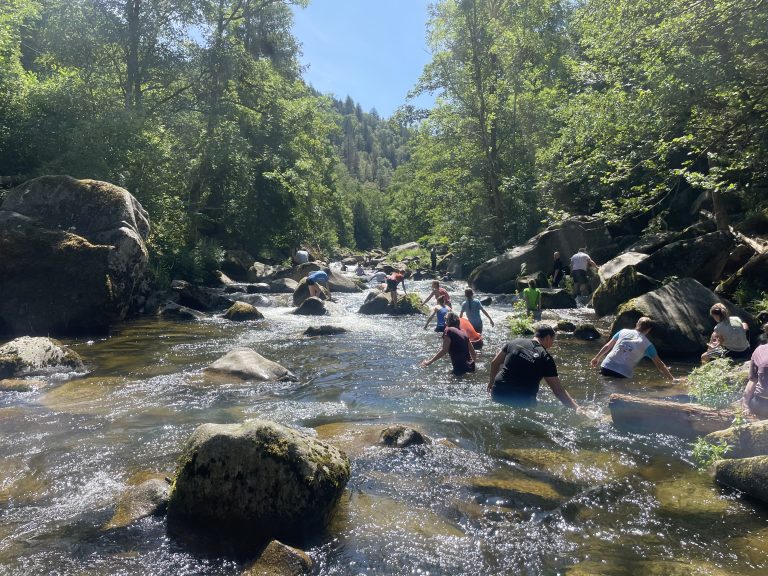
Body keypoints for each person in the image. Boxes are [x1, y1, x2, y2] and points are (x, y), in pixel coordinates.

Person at [487, 324, 580, 409]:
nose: (552, 345)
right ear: (548, 337)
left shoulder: (515, 342)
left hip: (498, 391)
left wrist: (491, 383)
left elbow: (495, 362)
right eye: (553, 340)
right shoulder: (545, 357)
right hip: (522, 398)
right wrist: (577, 408)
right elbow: (559, 391)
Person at [590, 317, 675, 380]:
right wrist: (672, 379)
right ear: (649, 330)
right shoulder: (648, 345)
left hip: (606, 366)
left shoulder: (623, 331)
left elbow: (608, 346)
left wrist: (596, 358)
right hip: (622, 373)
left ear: (637, 324)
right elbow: (660, 365)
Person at [742, 326, 768, 419]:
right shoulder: (759, 350)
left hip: (759, 404)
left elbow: (753, 380)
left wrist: (745, 404)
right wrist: (745, 405)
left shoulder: (759, 350)